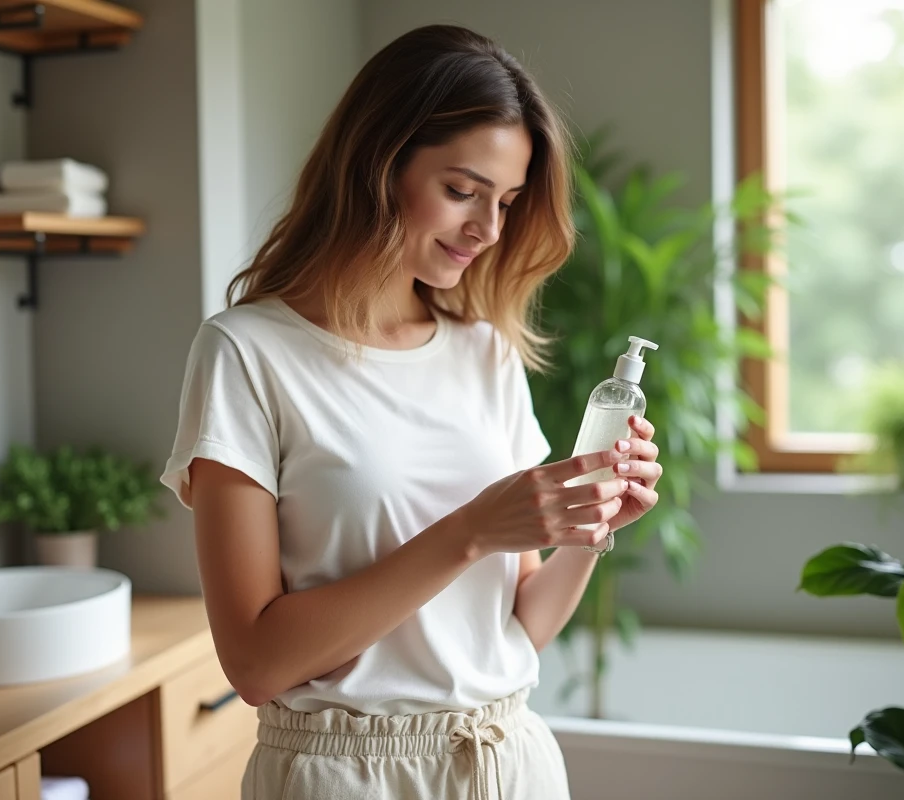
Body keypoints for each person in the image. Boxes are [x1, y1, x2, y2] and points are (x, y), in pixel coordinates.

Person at [160, 22, 663, 800]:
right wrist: (470, 531)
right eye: (462, 191)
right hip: (345, 775)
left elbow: (516, 627)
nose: (488, 230)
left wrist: (591, 534)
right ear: (377, 163)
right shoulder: (246, 354)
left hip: (508, 763)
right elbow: (255, 664)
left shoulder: (485, 353)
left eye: (507, 201)